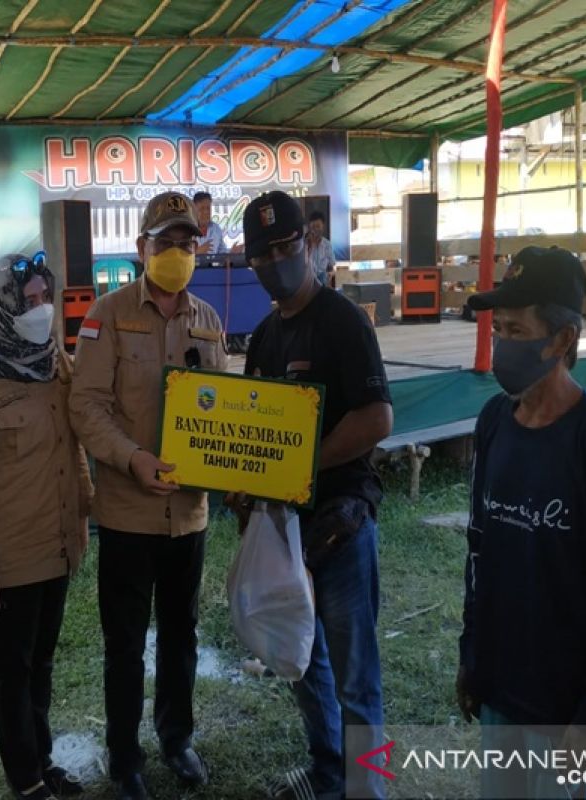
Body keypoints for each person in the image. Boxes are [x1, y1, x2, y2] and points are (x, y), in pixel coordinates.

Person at [457, 247, 586, 799]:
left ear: (562, 340)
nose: (502, 345)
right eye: (499, 329)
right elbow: (478, 549)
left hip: (564, 708)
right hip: (501, 693)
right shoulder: (494, 420)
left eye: (516, 330)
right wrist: (473, 659)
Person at [232, 191, 393, 800]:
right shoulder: (266, 337)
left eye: (286, 246)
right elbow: (255, 434)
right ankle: (331, 774)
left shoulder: (343, 321)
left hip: (343, 525)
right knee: (303, 662)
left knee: (358, 679)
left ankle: (368, 792)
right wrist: (249, 487)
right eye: (262, 253)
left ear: (311, 241)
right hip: (286, 530)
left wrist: (298, 465)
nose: (277, 260)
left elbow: (377, 419)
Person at [70, 191, 229, 800]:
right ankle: (124, 755)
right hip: (128, 514)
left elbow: (229, 411)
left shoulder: (209, 323)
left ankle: (176, 738)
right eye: (166, 243)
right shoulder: (105, 316)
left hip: (188, 516)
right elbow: (85, 405)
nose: (178, 253)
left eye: (188, 243)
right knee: (126, 644)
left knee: (182, 635)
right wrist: (132, 458)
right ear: (142, 249)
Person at [0, 253, 93, 800]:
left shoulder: (57, 366)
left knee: (43, 664)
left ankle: (41, 759)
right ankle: (25, 781)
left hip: (57, 547)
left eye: (42, 298)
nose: (40, 309)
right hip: (9, 560)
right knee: (13, 670)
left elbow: (75, 448)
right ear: (0, 305)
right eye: (27, 300)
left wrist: (86, 510)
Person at [305, 211, 335, 287]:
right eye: (313, 227)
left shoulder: (327, 245)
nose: (315, 229)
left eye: (318, 226)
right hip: (308, 283)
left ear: (323, 226)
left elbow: (331, 267)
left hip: (323, 282)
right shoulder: (304, 244)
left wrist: (330, 274)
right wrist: (310, 245)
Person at [192, 191, 226, 255]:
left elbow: (222, 252)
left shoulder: (216, 228)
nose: (206, 212)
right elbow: (180, 257)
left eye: (208, 208)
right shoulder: (186, 230)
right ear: (194, 210)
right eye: (201, 208)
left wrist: (232, 253)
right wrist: (196, 252)